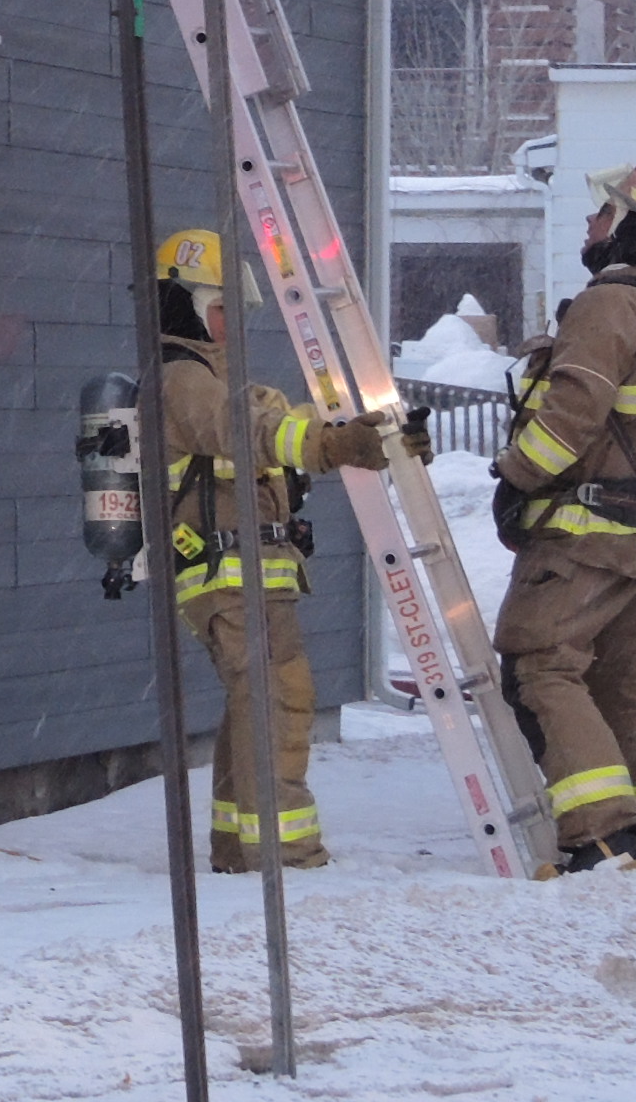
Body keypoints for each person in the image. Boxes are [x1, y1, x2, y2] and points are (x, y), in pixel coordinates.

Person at [151, 227, 411, 871]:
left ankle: (240, 846)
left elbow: (287, 421)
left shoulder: (223, 380)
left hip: (254, 575)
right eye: (220, 310)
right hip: (222, 574)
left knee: (257, 702)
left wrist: (371, 439)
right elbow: (249, 430)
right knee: (279, 696)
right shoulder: (182, 380)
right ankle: (284, 852)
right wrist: (331, 446)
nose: (230, 326)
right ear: (183, 301)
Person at [491, 163, 636, 872]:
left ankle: (602, 830)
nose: (590, 224)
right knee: (626, 674)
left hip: (585, 538)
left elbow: (572, 413)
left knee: (540, 664)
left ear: (633, 226)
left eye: (604, 211)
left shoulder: (610, 305)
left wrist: (515, 475)